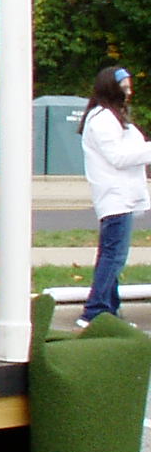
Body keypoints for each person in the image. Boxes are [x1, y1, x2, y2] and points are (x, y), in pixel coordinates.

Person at [77, 64, 151, 327]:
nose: (129, 91)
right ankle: (94, 311)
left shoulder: (114, 117)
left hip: (123, 196)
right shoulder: (102, 120)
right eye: (124, 86)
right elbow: (118, 157)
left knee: (113, 255)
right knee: (113, 256)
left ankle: (108, 310)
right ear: (111, 87)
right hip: (115, 196)